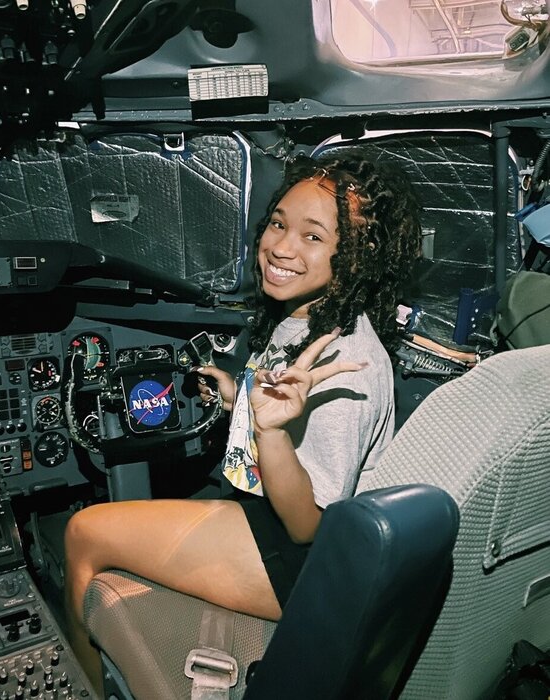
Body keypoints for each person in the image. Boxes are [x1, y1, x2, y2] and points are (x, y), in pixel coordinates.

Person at [64, 152, 422, 694]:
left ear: (354, 257)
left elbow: (307, 524)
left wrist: (271, 428)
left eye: (312, 237)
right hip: (270, 526)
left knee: (83, 531)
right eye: (279, 223)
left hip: (300, 564)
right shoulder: (305, 317)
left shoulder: (346, 360)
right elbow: (285, 421)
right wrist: (240, 400)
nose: (281, 247)